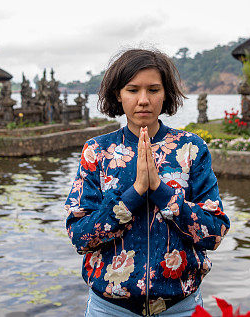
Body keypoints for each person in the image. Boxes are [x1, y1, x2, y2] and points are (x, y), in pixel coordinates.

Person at [65, 49, 230, 316]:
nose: (143, 100)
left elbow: (215, 231)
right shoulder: (97, 151)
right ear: (118, 94)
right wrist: (135, 192)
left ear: (166, 95)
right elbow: (79, 235)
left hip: (180, 306)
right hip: (111, 307)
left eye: (153, 90)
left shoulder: (190, 149)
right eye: (132, 90)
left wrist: (161, 191)